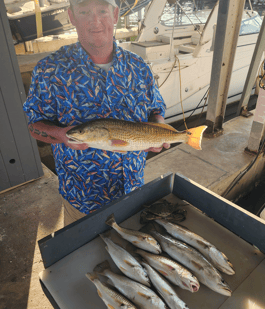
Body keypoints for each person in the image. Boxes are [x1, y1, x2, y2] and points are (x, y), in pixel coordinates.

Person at [23, 0, 169, 225]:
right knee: (86, 257)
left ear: (115, 14)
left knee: (128, 255)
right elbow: (34, 125)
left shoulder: (139, 67)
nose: (95, 20)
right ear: (72, 17)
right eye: (84, 11)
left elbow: (156, 110)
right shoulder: (49, 70)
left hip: (133, 190)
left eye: (102, 10)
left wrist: (158, 132)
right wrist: (62, 136)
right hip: (81, 200)